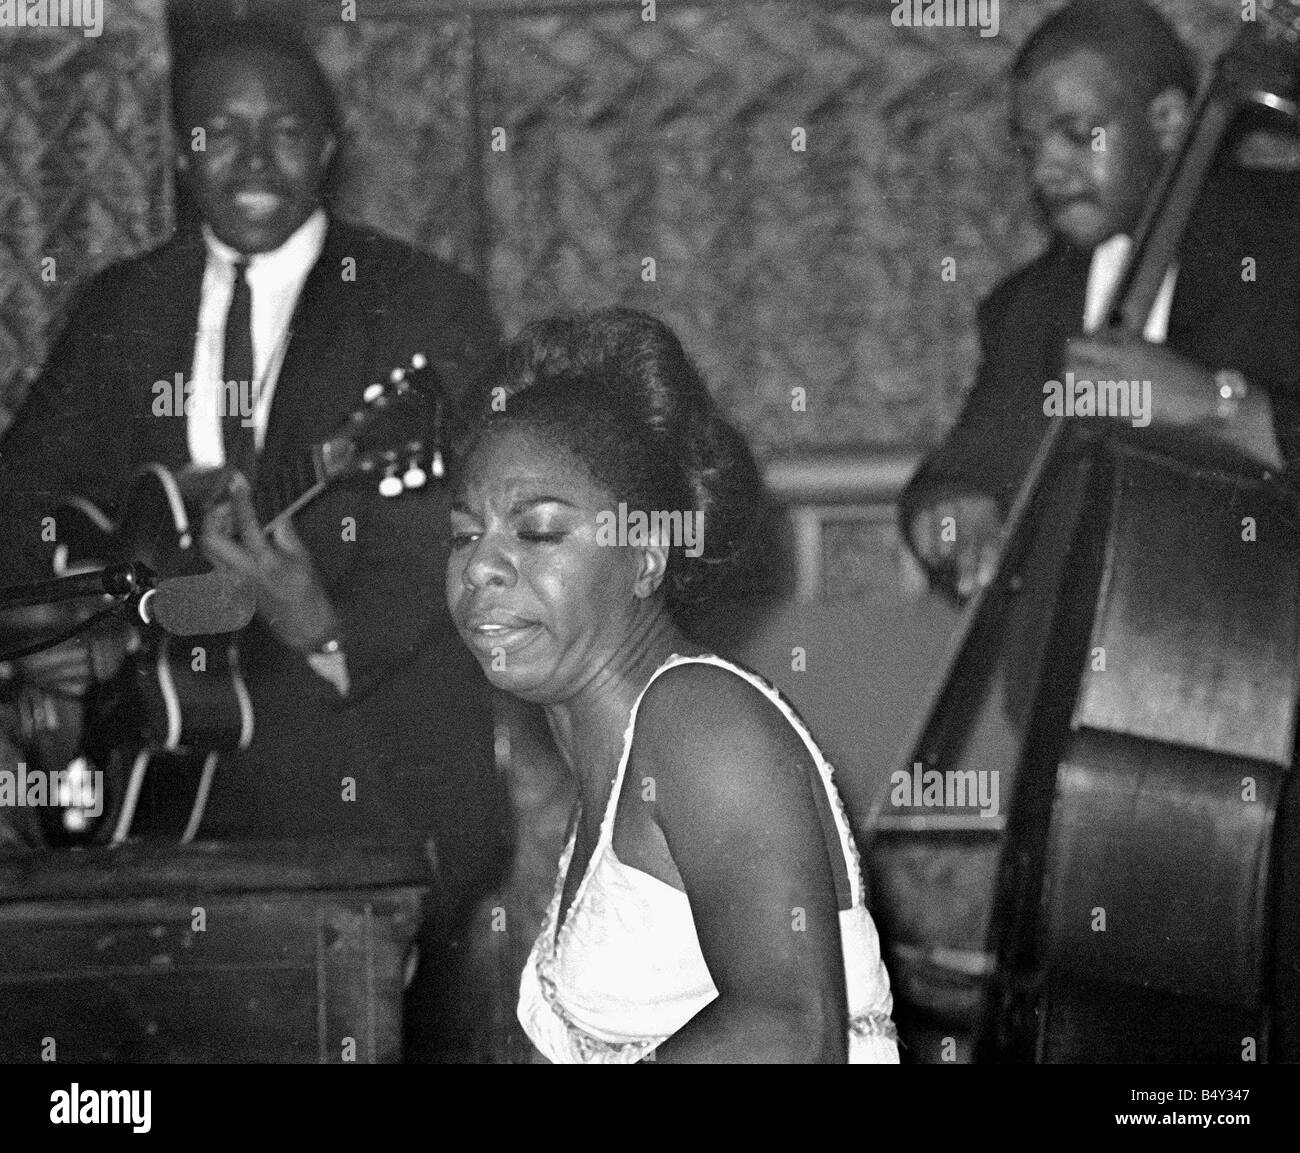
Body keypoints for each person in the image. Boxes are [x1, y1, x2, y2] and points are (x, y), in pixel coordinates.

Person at [0, 18, 510, 1060]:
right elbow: (22, 497)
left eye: (284, 129)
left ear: (329, 147)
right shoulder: (123, 307)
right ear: (181, 151)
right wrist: (59, 630)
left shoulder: (424, 307)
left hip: (368, 800)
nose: (253, 158)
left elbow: (462, 522)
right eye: (218, 132)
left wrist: (325, 623)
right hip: (148, 791)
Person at [444, 307, 898, 1063]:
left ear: (646, 552)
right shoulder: (607, 760)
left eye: (539, 530)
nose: (481, 567)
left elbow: (791, 1031)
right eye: (464, 534)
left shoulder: (701, 720)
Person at [897, 0, 1300, 721]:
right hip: (1078, 733)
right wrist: (951, 512)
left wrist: (1221, 405)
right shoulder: (1028, 306)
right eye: (1028, 146)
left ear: (1170, 122)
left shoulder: (1284, 239)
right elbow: (963, 466)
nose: (1047, 168)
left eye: (1079, 135)